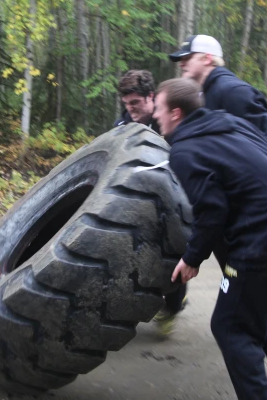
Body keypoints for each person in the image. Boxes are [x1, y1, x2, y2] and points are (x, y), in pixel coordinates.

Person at [155, 78, 267, 400]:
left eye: (159, 110)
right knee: (264, 313)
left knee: (231, 327)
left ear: (176, 113)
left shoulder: (185, 150)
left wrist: (192, 259)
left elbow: (212, 211)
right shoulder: (229, 123)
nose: (156, 117)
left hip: (265, 242)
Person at [113, 70, 186, 335]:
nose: (130, 109)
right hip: (137, 207)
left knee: (174, 261)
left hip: (173, 206)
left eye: (136, 103)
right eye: (126, 104)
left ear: (151, 97)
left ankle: (175, 306)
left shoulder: (169, 124)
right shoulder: (122, 127)